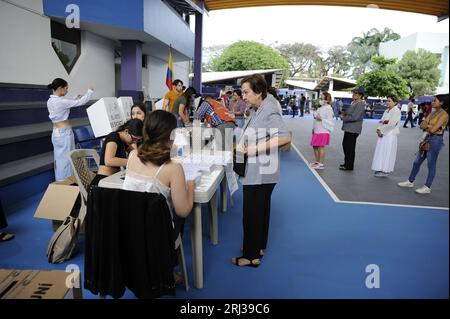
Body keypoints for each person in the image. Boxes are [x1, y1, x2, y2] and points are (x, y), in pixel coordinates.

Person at [122, 110, 196, 277]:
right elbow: (183, 210)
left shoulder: (133, 155)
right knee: (179, 217)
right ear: (172, 135)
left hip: (129, 227)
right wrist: (190, 187)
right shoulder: (173, 168)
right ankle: (171, 266)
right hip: (157, 233)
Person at [232, 74, 291, 267]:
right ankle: (257, 247)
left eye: (247, 92)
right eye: (243, 92)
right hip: (261, 171)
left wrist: (253, 149)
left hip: (260, 171)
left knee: (252, 214)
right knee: (260, 212)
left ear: (259, 92)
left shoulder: (269, 110)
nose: (244, 96)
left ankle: (250, 257)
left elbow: (284, 137)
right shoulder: (260, 107)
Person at [398, 94, 449, 194]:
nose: (432, 102)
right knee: (417, 162)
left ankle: (427, 187)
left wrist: (428, 126)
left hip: (435, 141)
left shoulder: (444, 115)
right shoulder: (433, 113)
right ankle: (410, 181)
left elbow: (433, 129)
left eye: (435, 100)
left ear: (441, 103)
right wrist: (429, 126)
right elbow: (421, 125)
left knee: (431, 164)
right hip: (426, 139)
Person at [47, 78, 94, 181]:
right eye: (66, 88)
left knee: (59, 160)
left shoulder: (50, 101)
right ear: (60, 88)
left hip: (56, 133)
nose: (67, 91)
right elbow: (81, 102)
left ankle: (61, 182)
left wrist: (75, 97)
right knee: (67, 160)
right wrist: (90, 91)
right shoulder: (60, 102)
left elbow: (67, 104)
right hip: (64, 134)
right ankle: (67, 182)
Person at [90, 119, 143, 187]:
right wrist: (132, 161)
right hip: (102, 181)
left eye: (137, 140)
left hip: (112, 180)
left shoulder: (123, 141)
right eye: (134, 138)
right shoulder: (114, 136)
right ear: (126, 131)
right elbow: (109, 161)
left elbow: (135, 154)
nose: (134, 142)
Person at [371, 95, 402, 177]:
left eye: (389, 101)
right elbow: (381, 121)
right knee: (381, 151)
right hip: (383, 134)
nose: (387, 102)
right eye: (387, 101)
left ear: (395, 102)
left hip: (390, 135)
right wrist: (378, 130)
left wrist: (382, 132)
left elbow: (392, 124)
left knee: (387, 152)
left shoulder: (396, 111)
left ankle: (385, 170)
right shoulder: (386, 111)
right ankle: (380, 168)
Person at [339, 87, 366, 171]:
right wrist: (344, 113)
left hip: (353, 129)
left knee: (350, 147)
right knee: (345, 145)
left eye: (356, 93)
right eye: (353, 93)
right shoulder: (354, 102)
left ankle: (349, 165)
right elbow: (350, 113)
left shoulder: (361, 104)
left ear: (360, 95)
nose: (354, 94)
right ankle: (347, 163)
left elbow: (355, 117)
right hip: (349, 128)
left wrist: (343, 118)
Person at [310, 92, 334, 170]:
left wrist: (321, 119)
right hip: (317, 129)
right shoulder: (321, 107)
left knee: (321, 146)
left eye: (322, 98)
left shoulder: (329, 108)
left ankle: (321, 163)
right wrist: (314, 128)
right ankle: (317, 162)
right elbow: (316, 116)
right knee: (315, 146)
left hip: (323, 130)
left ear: (326, 100)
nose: (320, 99)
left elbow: (330, 121)